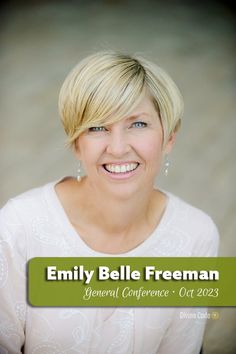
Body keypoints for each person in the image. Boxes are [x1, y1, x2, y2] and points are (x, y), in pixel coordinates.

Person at [0, 51, 219, 354]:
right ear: (76, 143)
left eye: (138, 124)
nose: (117, 148)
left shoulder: (196, 234)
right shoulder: (19, 226)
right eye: (97, 127)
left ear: (169, 138)